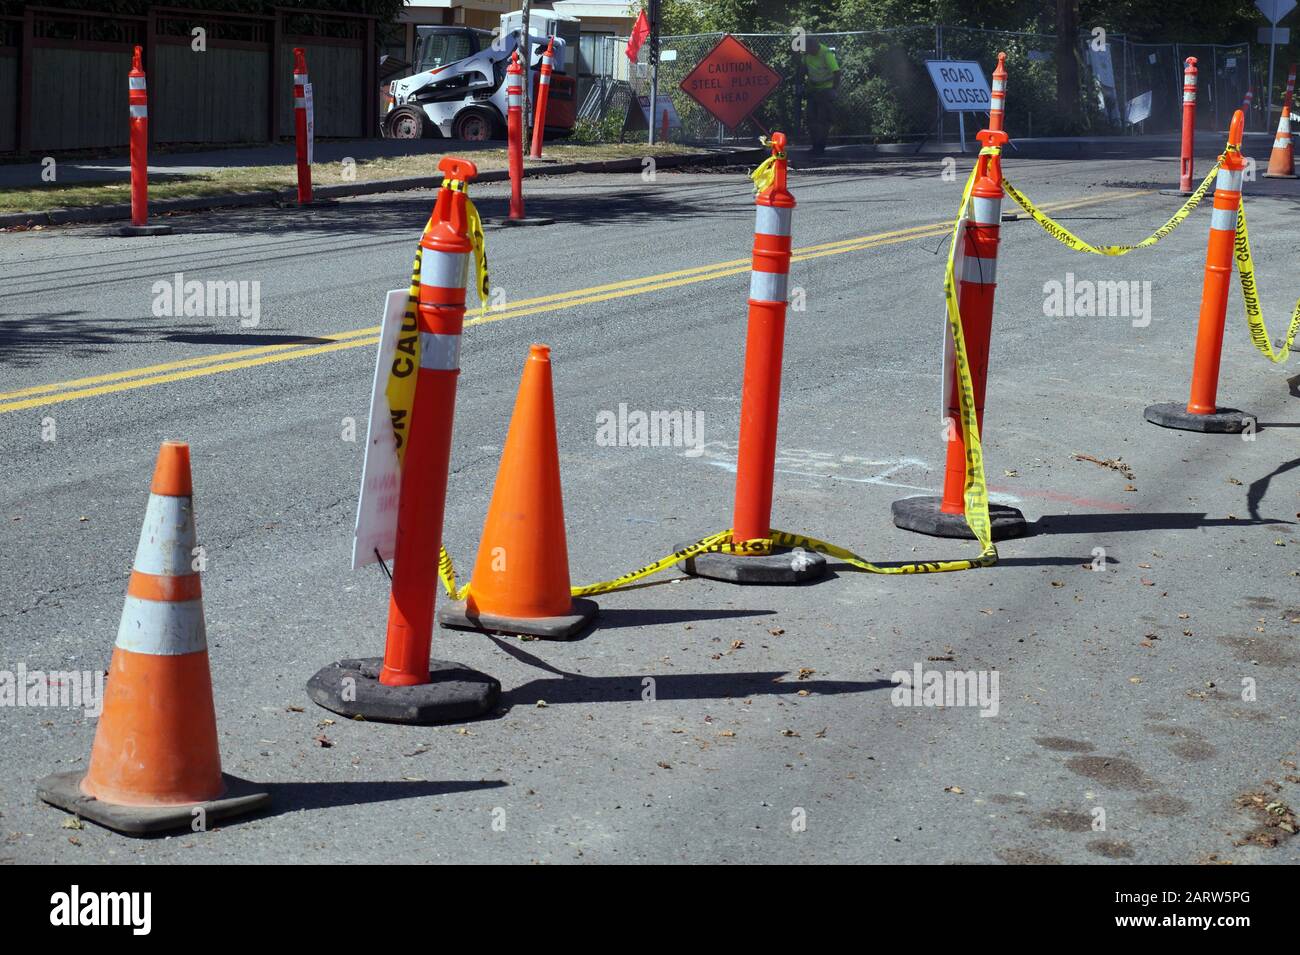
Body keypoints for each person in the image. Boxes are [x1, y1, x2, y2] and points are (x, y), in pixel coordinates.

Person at [800, 37, 841, 155]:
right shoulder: (807, 54)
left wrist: (834, 89)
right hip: (813, 89)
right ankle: (815, 146)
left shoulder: (826, 53)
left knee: (822, 120)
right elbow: (802, 70)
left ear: (815, 46)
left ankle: (820, 147)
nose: (808, 51)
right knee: (811, 118)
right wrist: (802, 84)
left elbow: (837, 72)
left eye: (809, 49)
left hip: (826, 89)